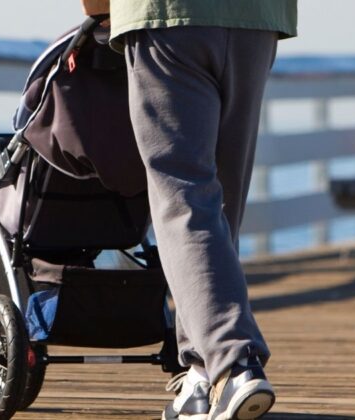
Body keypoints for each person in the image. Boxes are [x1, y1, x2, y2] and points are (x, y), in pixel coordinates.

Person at [79, 1, 298, 419]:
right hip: (257, 19)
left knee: (183, 198)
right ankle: (200, 374)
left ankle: (233, 363)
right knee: (221, 202)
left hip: (166, 16)